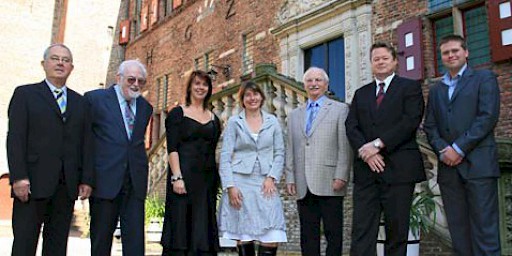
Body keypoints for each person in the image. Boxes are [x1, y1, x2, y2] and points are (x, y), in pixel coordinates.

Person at [6, 44, 94, 256]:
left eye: (65, 60)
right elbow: (15, 139)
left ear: (71, 67)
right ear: (44, 64)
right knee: (24, 244)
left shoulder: (80, 102)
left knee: (57, 246)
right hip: (31, 184)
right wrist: (18, 177)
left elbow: (86, 143)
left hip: (65, 186)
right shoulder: (25, 95)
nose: (60, 63)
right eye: (55, 58)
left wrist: (86, 179)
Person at [345, 42, 425, 256]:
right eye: (376, 59)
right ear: (371, 64)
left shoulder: (410, 87)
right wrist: (366, 151)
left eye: (384, 58)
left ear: (395, 61)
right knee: (362, 231)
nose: (380, 62)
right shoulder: (361, 93)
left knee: (397, 231)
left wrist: (377, 145)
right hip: (366, 172)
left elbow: (410, 121)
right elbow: (351, 126)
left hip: (399, 171)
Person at [424, 35, 501, 255]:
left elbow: (487, 117)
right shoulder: (436, 90)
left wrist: (458, 148)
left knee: (485, 232)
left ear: (466, 52)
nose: (451, 55)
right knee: (458, 233)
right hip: (449, 170)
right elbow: (430, 126)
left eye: (455, 50)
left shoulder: (484, 78)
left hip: (479, 167)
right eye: (446, 53)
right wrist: (443, 150)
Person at [85, 59, 153, 256]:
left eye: (141, 81)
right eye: (131, 79)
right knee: (101, 240)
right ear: (118, 78)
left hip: (134, 182)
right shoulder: (94, 100)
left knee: (135, 243)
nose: (136, 85)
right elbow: (86, 143)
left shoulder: (145, 107)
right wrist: (86, 178)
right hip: (104, 180)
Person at [285, 67, 351, 256]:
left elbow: (344, 146)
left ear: (326, 84)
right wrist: (290, 177)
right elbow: (290, 147)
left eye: (318, 80)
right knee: (308, 234)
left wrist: (341, 175)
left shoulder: (340, 109)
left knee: (333, 232)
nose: (314, 84)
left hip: (330, 180)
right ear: (304, 85)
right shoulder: (294, 114)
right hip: (303, 182)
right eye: (309, 81)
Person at [218, 82, 287, 256]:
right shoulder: (234, 122)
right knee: (244, 235)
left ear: (262, 97)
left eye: (255, 94)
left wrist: (272, 177)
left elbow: (280, 152)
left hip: (266, 182)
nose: (252, 98)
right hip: (240, 182)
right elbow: (225, 157)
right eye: (247, 95)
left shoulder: (273, 121)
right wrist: (230, 186)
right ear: (242, 100)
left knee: (272, 236)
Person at [160, 70, 221, 256]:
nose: (200, 87)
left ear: (209, 89)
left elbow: (214, 149)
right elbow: (172, 148)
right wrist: (177, 177)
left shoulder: (214, 118)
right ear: (190, 87)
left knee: (202, 230)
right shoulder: (178, 114)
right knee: (181, 229)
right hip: (183, 179)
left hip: (206, 182)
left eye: (204, 84)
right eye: (197, 84)